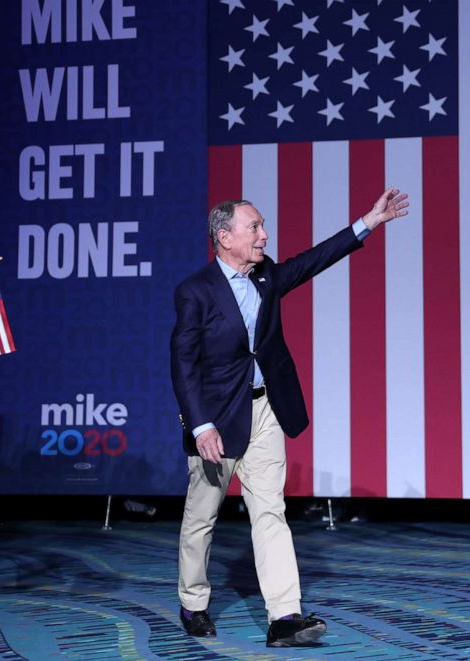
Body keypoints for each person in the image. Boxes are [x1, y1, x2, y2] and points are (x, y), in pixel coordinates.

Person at [170, 187, 408, 647]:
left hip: (264, 410)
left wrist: (367, 223)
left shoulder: (266, 277)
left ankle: (284, 617)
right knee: (202, 517)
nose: (264, 235)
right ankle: (193, 602)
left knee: (270, 513)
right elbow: (182, 364)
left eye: (261, 227)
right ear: (224, 237)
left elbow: (313, 260)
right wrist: (200, 425)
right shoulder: (194, 292)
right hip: (216, 423)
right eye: (254, 227)